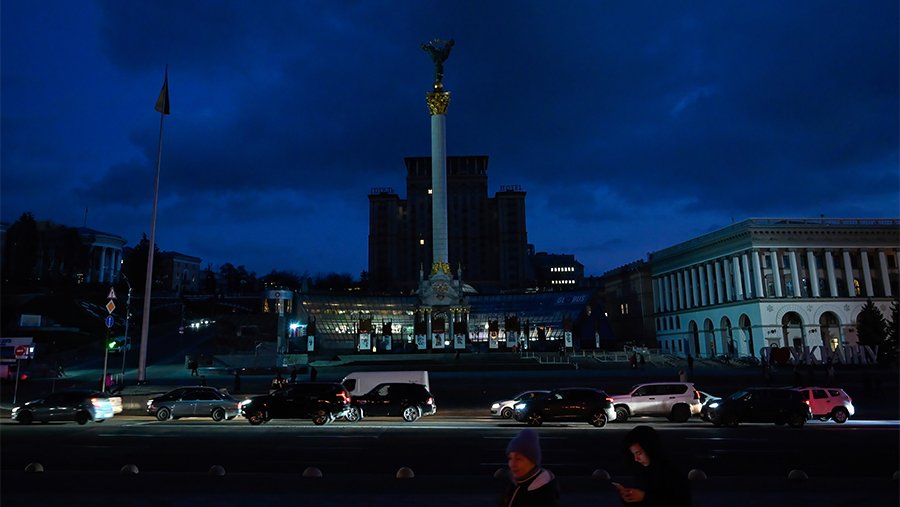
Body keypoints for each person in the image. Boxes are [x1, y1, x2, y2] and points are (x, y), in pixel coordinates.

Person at [615, 425, 691, 506]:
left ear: (650, 449)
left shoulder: (671, 472)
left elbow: (678, 500)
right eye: (634, 454)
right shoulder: (642, 471)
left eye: (639, 453)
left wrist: (644, 497)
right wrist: (628, 496)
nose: (636, 459)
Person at [498, 428, 560, 507]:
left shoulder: (544, 497)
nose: (512, 464)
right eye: (510, 458)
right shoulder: (514, 482)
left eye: (518, 459)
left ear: (533, 461)